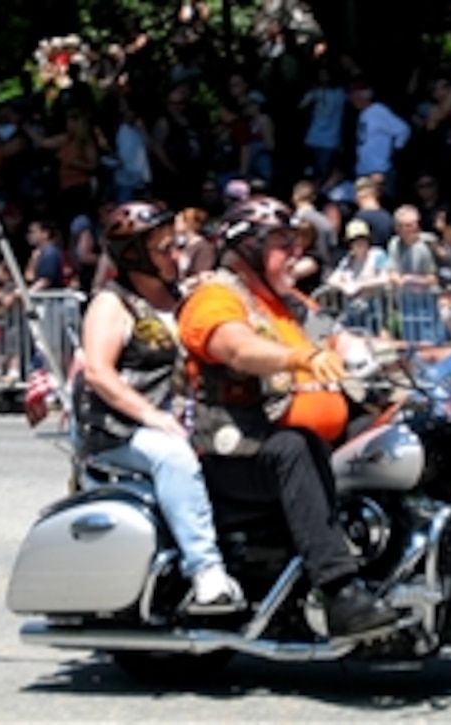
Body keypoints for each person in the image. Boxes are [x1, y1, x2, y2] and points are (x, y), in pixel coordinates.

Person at [177, 195, 399, 638]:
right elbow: (236, 347)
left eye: (295, 242)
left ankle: (395, 563)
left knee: (393, 438)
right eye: (283, 243)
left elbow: (340, 340)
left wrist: (409, 354)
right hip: (238, 450)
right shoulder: (217, 297)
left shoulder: (289, 303)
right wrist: (299, 356)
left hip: (293, 439)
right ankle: (339, 592)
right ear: (250, 250)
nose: (296, 253)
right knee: (296, 448)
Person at [71, 201, 244, 613]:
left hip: (184, 420)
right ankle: (207, 574)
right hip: (116, 431)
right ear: (133, 255)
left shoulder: (180, 297)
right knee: (174, 458)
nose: (176, 255)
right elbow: (97, 372)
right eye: (165, 248)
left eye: (177, 245)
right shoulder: (112, 305)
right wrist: (150, 416)